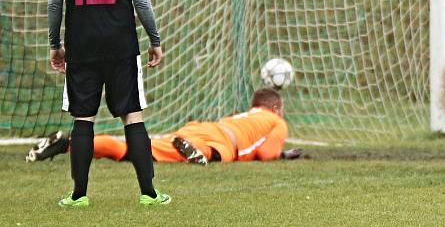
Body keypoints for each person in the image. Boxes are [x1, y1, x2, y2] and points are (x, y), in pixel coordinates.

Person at [42, 0, 168, 207]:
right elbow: (142, 2)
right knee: (132, 115)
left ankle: (79, 195)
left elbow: (55, 4)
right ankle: (149, 194)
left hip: (81, 46)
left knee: (83, 117)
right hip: (121, 45)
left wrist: (55, 43)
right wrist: (155, 39)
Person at [26, 87, 303, 164]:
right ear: (275, 108)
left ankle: (70, 144)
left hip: (199, 128)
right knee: (221, 152)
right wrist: (282, 154)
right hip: (221, 140)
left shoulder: (245, 115)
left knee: (136, 151)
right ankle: (198, 153)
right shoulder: (276, 122)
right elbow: (266, 154)